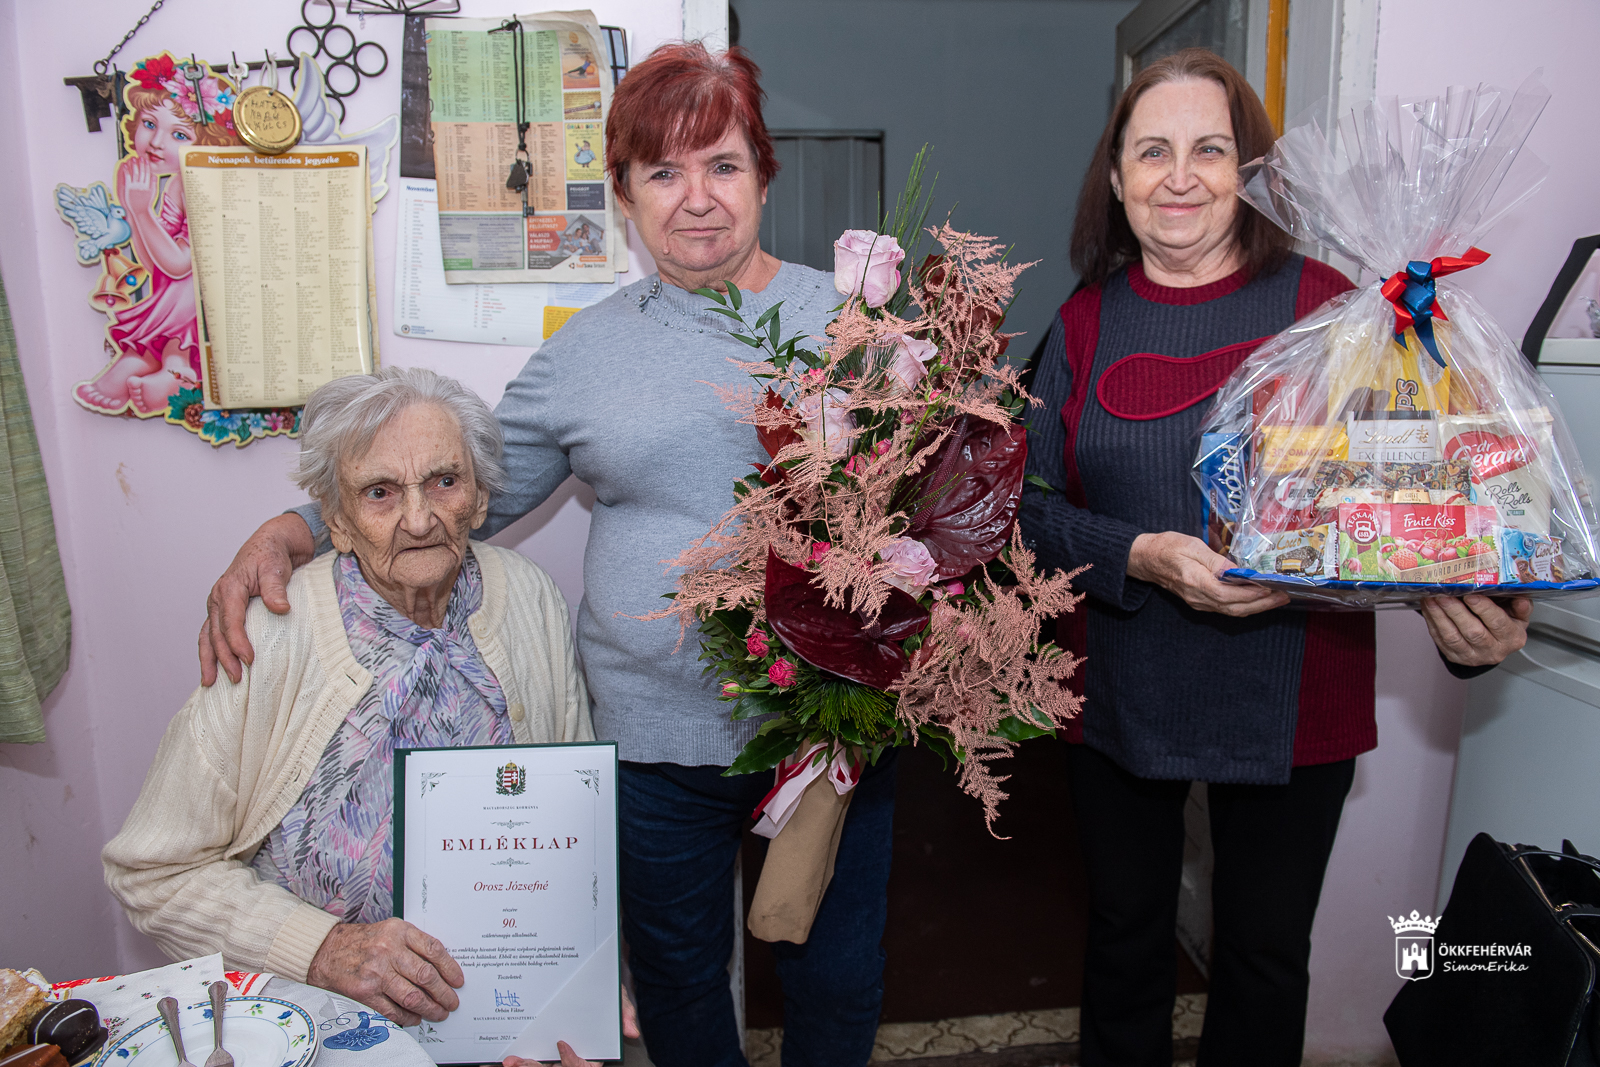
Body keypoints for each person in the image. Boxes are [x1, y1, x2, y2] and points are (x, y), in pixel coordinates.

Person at [196, 44, 894, 1067]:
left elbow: (932, 501)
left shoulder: (849, 325)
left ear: (762, 175)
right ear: (624, 194)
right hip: (652, 746)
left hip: (826, 735)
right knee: (678, 977)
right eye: (663, 172)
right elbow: (455, 491)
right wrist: (294, 529)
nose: (697, 198)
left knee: (836, 975)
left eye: (723, 165)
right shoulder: (583, 353)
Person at [1018, 48, 1530, 1067]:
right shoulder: (1081, 321)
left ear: (1250, 173)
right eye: (1151, 151)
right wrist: (1139, 553)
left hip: (1295, 696)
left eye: (1210, 150)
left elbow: (1425, 494)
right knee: (1123, 941)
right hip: (1120, 683)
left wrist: (1476, 620)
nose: (1179, 176)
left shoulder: (1338, 309)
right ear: (1114, 176)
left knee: (1261, 956)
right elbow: (1023, 510)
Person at [104, 368, 617, 1067]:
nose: (419, 519)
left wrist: (575, 996)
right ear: (335, 521)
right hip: (318, 1024)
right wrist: (323, 949)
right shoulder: (272, 633)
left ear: (481, 497)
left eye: (444, 481)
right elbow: (154, 872)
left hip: (501, 1019)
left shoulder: (528, 596)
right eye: (380, 492)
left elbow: (575, 833)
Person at [75, 54, 238, 417]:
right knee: (172, 294)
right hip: (174, 287)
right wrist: (135, 211)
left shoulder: (202, 184)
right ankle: (145, 360)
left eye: (179, 135)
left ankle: (178, 368)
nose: (157, 142)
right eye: (149, 124)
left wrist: (140, 211)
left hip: (216, 292)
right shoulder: (173, 184)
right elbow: (153, 265)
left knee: (189, 290)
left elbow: (179, 265)